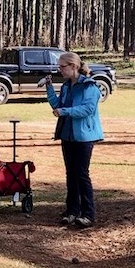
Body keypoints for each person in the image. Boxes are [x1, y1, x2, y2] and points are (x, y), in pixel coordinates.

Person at [43, 51, 104, 229]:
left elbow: (87, 110)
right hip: (67, 135)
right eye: (59, 67)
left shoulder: (89, 87)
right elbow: (57, 105)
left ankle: (88, 213)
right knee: (70, 173)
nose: (60, 70)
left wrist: (65, 112)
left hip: (85, 137)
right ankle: (72, 211)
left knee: (81, 174)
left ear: (74, 66)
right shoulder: (66, 86)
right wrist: (48, 87)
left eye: (63, 67)